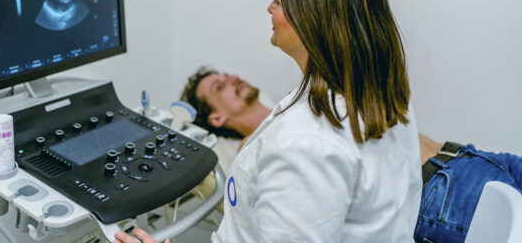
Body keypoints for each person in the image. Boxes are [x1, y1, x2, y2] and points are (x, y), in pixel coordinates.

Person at [114, 0, 422, 243]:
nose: (269, 8)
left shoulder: (304, 145)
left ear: (311, 18)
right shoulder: (383, 95)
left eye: (278, 0)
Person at [181, 67, 522, 243]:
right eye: (220, 87)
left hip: (470, 156)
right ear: (216, 119)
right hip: (442, 191)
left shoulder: (296, 101)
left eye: (226, 75)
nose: (232, 79)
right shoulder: (259, 147)